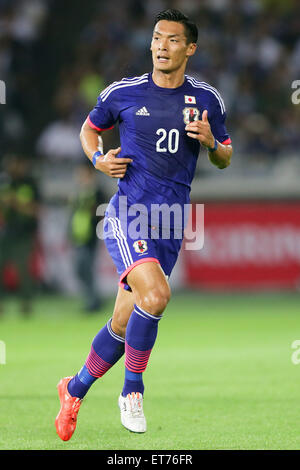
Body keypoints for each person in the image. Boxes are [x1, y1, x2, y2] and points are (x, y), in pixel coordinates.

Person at [55, 8, 232, 440]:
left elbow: (225, 155)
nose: (161, 47)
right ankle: (132, 390)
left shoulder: (207, 99)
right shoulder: (124, 92)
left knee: (122, 323)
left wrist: (211, 143)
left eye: (172, 40)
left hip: (171, 221)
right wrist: (100, 159)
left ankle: (74, 388)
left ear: (190, 48)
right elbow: (88, 130)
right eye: (156, 38)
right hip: (128, 212)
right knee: (155, 297)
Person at [0, 154, 40, 315]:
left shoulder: (30, 184)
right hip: (7, 233)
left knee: (23, 271)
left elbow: (36, 210)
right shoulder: (6, 182)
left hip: (24, 234)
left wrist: (14, 203)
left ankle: (26, 305)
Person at [69, 162, 106, 312]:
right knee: (80, 269)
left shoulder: (97, 192)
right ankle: (93, 298)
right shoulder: (78, 192)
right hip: (78, 235)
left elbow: (102, 211)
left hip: (90, 236)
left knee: (85, 268)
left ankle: (93, 301)